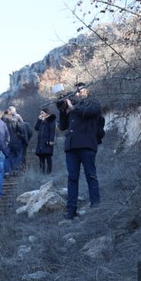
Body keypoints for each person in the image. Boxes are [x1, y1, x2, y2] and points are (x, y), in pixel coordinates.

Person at [57, 86, 106, 219]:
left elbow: (90, 112)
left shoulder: (93, 103)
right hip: (71, 147)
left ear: (88, 91)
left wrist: (73, 108)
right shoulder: (74, 107)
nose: (77, 93)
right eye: (76, 91)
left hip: (87, 145)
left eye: (80, 90)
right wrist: (62, 109)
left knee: (91, 175)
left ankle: (96, 207)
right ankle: (71, 211)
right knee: (72, 178)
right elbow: (63, 126)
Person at [35, 107, 58, 174]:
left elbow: (52, 131)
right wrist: (39, 120)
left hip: (47, 142)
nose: (41, 114)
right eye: (40, 113)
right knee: (41, 159)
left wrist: (51, 140)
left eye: (42, 113)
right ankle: (41, 173)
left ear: (46, 113)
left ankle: (49, 173)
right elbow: (36, 128)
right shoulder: (42, 121)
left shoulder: (51, 120)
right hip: (40, 143)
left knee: (48, 158)